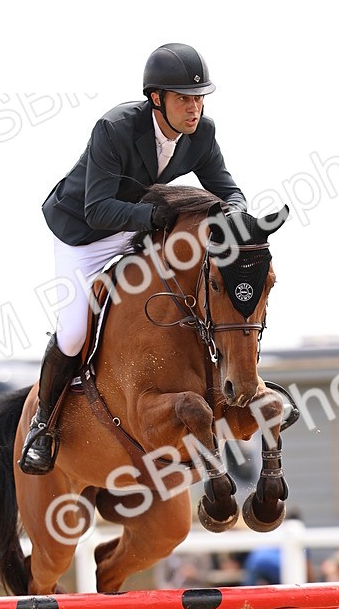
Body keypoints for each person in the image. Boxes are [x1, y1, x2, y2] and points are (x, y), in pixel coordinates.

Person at [21, 43, 247, 475]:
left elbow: (227, 188)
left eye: (199, 98)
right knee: (72, 332)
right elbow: (97, 208)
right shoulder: (115, 128)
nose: (194, 108)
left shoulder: (203, 134)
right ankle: (42, 425)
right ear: (156, 98)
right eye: (184, 98)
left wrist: (237, 216)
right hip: (84, 235)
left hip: (138, 229)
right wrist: (153, 215)